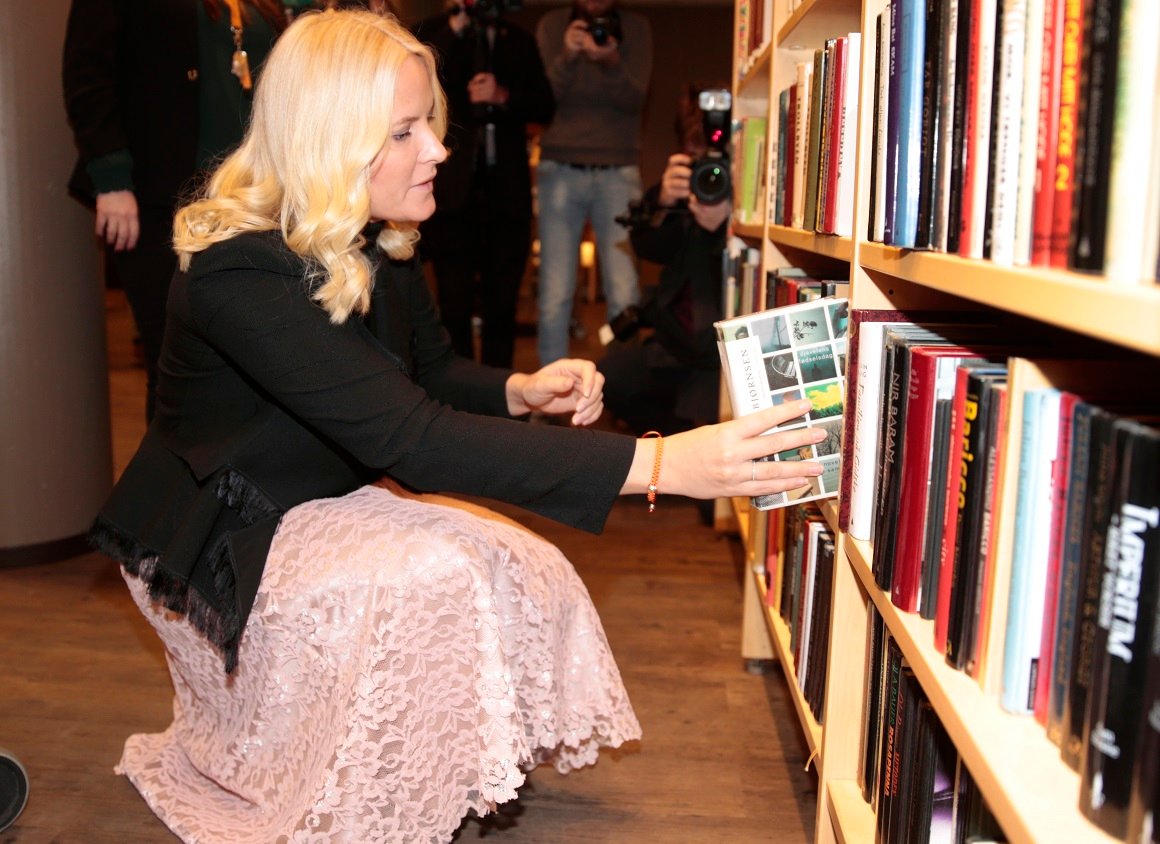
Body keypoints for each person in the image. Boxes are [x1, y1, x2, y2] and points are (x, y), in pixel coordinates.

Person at [87, 10, 827, 842]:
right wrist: (661, 467)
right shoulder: (240, 267)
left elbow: (429, 374)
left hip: (317, 491)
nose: (439, 149)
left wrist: (521, 388)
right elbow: (414, 437)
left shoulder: (377, 235)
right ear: (332, 138)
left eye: (430, 123)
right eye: (405, 131)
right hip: (225, 530)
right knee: (438, 575)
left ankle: (452, 765)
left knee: (519, 559)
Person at [62, 0, 289, 421]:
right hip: (156, 199)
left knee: (246, 361)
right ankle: (172, 466)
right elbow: (87, 75)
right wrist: (111, 177)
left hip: (247, 198)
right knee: (176, 362)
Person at [413, 0, 554, 367]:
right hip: (452, 194)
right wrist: (456, 29)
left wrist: (503, 95)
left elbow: (545, 105)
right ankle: (458, 389)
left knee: (502, 304)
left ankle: (500, 390)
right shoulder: (434, 34)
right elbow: (415, 80)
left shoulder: (517, 40)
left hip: (506, 195)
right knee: (453, 302)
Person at [598, 86, 731, 439]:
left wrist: (726, 227)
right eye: (694, 158)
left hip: (721, 351)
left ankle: (690, 437)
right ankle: (678, 437)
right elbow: (648, 247)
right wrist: (661, 200)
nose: (708, 173)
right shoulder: (680, 192)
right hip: (674, 345)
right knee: (608, 378)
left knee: (712, 426)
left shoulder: (746, 193)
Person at [533, 0, 652, 366]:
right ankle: (550, 391)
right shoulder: (552, 26)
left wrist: (612, 62)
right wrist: (567, 57)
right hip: (559, 169)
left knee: (624, 291)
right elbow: (539, 100)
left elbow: (635, 99)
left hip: (618, 170)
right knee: (555, 292)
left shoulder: (636, 28)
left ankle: (624, 385)